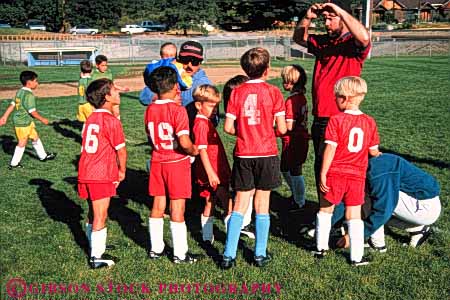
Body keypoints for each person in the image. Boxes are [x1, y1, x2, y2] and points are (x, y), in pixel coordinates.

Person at [292, 0, 371, 202]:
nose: (326, 23)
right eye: (324, 19)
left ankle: (343, 218)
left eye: (331, 18)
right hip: (321, 118)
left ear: (343, 17)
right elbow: (298, 38)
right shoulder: (323, 42)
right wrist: (308, 17)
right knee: (322, 170)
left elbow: (364, 37)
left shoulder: (352, 44)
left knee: (343, 171)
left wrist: (339, 10)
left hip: (342, 118)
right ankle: (326, 214)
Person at [221, 47, 287, 269]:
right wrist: (267, 130)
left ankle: (228, 255)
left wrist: (247, 131)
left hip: (244, 153)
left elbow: (228, 127)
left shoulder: (236, 93)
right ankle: (259, 254)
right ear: (267, 69)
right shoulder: (274, 92)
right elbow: (283, 128)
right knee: (262, 204)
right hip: (267, 152)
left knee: (240, 203)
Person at [314, 76, 380, 266]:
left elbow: (330, 148)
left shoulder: (336, 119)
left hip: (336, 172)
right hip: (357, 176)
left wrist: (323, 172)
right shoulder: (369, 122)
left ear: (345, 98)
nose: (335, 100)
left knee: (326, 209)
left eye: (336, 97)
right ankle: (356, 257)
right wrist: (378, 153)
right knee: (354, 215)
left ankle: (320, 248)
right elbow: (373, 151)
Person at [144, 66, 200, 264]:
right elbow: (184, 142)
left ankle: (156, 249)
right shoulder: (178, 110)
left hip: (158, 160)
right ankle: (180, 253)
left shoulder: (150, 109)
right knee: (177, 208)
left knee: (157, 205)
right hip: (176, 163)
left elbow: (150, 137)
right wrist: (194, 151)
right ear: (176, 86)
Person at [333, 153, 441, 251]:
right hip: (418, 202)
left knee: (373, 201)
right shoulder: (369, 163)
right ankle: (418, 229)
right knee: (370, 199)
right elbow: (348, 198)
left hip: (426, 206)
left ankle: (378, 245)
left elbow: (383, 210)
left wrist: (354, 236)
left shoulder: (378, 169)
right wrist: (326, 222)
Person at [78, 78, 127, 269]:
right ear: (107, 97)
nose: (118, 93)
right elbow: (121, 151)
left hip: (86, 171)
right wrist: (122, 171)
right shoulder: (111, 121)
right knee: (100, 215)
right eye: (115, 90)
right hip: (100, 174)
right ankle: (96, 257)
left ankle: (94, 246)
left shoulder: (90, 118)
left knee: (92, 212)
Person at [139, 41, 215, 127]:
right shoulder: (169, 75)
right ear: (178, 59)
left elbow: (214, 120)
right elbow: (144, 97)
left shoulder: (204, 85)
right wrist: (163, 97)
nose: (189, 65)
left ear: (200, 62)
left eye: (195, 61)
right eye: (185, 60)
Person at [192, 84, 232, 244]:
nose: (215, 109)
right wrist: (211, 173)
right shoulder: (201, 124)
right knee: (228, 202)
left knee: (210, 201)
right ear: (198, 105)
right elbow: (201, 150)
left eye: (216, 105)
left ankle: (207, 237)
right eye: (211, 105)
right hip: (213, 170)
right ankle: (232, 237)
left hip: (212, 169)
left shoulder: (205, 121)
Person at [0, 71, 56, 169]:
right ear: (29, 82)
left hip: (27, 122)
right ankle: (14, 164)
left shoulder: (20, 91)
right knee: (22, 142)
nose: (37, 83)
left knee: (35, 137)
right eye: (36, 81)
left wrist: (4, 116)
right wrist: (42, 119)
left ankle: (43, 156)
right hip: (22, 123)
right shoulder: (29, 95)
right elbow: (32, 112)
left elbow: (12, 105)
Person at [222, 75, 255, 239]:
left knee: (250, 190)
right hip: (245, 153)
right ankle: (234, 221)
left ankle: (244, 222)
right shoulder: (238, 113)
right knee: (245, 191)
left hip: (248, 152)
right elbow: (229, 128)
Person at [279, 65, 309, 209]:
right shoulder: (301, 97)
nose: (283, 83)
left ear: (290, 82)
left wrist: (275, 125)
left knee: (295, 170)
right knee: (284, 168)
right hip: (296, 139)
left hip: (294, 140)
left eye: (284, 80)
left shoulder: (291, 101)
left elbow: (289, 126)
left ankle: (299, 201)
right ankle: (296, 195)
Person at [90, 54, 129, 119]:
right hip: (100, 97)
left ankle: (117, 124)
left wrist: (121, 88)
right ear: (97, 65)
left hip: (110, 95)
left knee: (116, 109)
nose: (105, 67)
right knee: (101, 114)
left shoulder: (109, 72)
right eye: (102, 65)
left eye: (106, 65)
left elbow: (111, 84)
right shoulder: (93, 74)